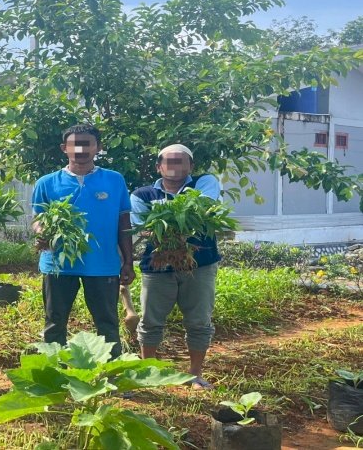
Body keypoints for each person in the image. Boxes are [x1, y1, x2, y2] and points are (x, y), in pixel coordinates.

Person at [31, 123, 134, 357]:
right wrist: (42, 232)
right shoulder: (47, 182)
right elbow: (38, 218)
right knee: (55, 321)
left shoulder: (114, 180)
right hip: (58, 264)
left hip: (103, 264)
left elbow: (124, 223)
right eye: (75, 144)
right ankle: (55, 370)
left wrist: (128, 261)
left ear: (98, 147)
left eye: (87, 144)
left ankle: (111, 370)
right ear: (64, 148)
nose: (80, 149)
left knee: (107, 322)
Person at [131, 144, 222, 390]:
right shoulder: (142, 195)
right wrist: (175, 232)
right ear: (158, 167)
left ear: (191, 166)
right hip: (157, 266)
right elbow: (143, 227)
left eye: (180, 161)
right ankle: (148, 373)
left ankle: (195, 375)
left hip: (200, 264)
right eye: (168, 161)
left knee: (199, 321)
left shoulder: (204, 183)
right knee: (150, 321)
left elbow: (200, 209)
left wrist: (166, 226)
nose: (174, 166)